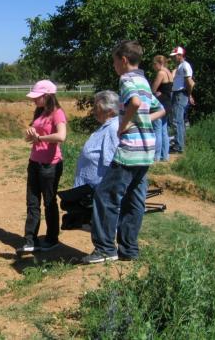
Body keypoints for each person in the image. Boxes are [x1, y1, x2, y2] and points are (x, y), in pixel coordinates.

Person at [82, 40, 165, 264]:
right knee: (134, 199)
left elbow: (135, 103)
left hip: (130, 150)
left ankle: (105, 249)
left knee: (104, 196)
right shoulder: (144, 81)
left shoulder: (127, 79)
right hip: (147, 150)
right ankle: (129, 249)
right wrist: (140, 123)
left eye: (114, 62)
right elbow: (161, 109)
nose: (114, 66)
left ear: (124, 60)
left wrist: (123, 125)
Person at [17, 80, 67, 253]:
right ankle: (30, 239)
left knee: (49, 202)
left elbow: (61, 136)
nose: (34, 100)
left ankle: (52, 238)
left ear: (47, 96)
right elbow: (32, 138)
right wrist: (31, 135)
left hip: (50, 165)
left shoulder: (57, 113)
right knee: (32, 202)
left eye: (37, 97)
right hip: (35, 162)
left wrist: (40, 138)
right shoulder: (39, 112)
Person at [59, 90, 119, 230]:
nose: (93, 111)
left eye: (96, 107)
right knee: (91, 223)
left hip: (99, 189)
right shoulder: (107, 126)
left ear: (109, 110)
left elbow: (111, 161)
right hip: (91, 189)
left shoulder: (112, 129)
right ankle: (101, 249)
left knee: (101, 225)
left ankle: (104, 250)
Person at [169, 46, 194, 153]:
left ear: (180, 55)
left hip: (181, 93)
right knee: (178, 119)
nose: (174, 58)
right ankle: (179, 143)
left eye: (175, 56)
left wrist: (189, 94)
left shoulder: (185, 66)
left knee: (177, 120)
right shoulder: (180, 66)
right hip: (178, 93)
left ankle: (179, 146)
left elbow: (190, 82)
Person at [151, 55, 173, 161]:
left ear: (159, 63)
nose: (153, 66)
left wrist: (154, 92)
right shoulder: (169, 72)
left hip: (160, 104)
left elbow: (153, 88)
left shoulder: (161, 73)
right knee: (164, 130)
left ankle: (156, 156)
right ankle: (165, 156)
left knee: (157, 130)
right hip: (168, 103)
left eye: (154, 64)